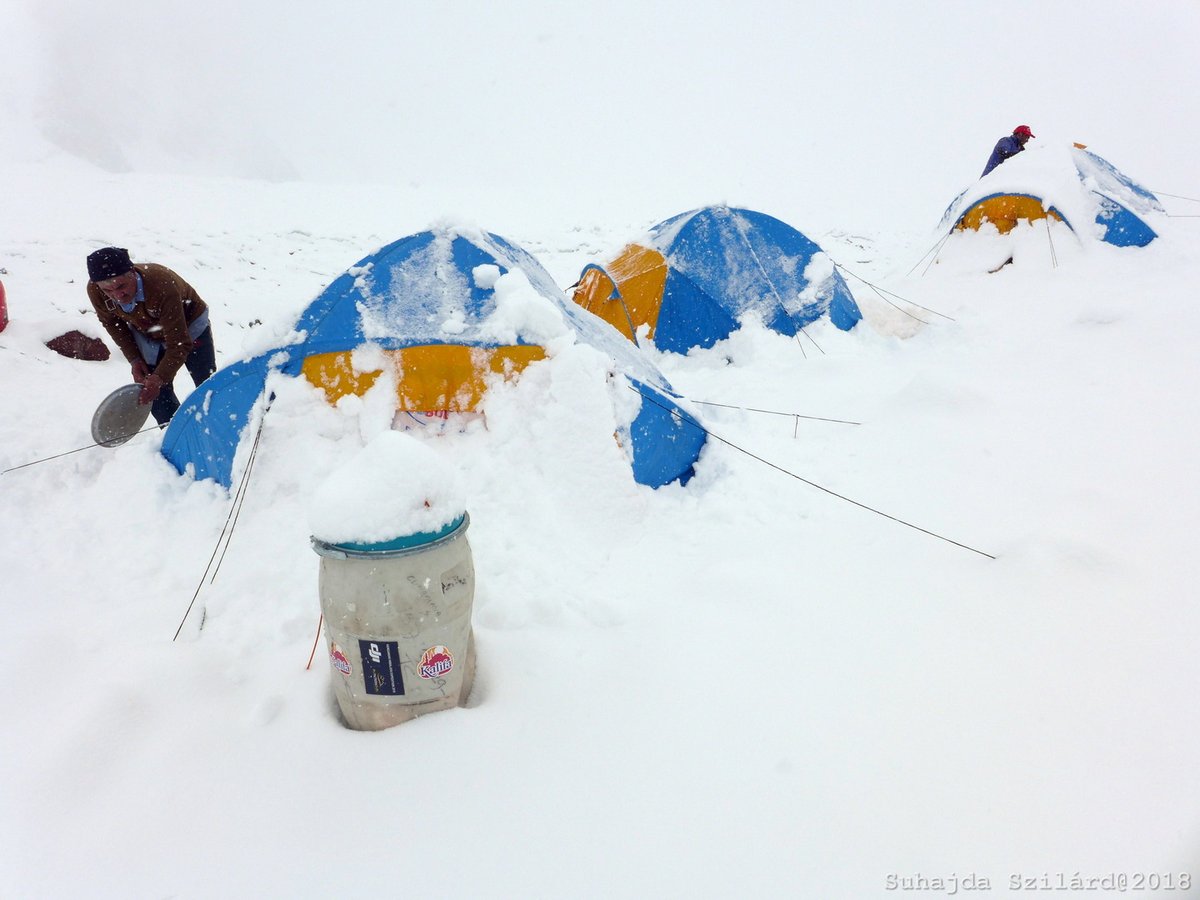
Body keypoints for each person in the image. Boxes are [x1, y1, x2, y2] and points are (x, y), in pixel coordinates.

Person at [86, 247, 216, 426]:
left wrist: (159, 377)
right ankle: (173, 435)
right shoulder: (95, 289)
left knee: (206, 382)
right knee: (153, 394)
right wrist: (134, 359)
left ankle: (217, 422)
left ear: (132, 273)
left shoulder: (161, 285)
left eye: (121, 286)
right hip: (147, 329)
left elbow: (179, 344)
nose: (117, 295)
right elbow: (112, 323)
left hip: (189, 322)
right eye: (108, 290)